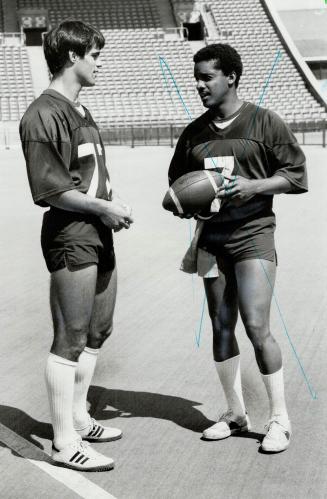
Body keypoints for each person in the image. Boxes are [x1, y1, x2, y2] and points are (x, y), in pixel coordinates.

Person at [168, 43, 307, 453]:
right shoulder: (194, 133)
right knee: (221, 326)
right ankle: (235, 412)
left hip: (254, 235)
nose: (199, 84)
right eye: (196, 77)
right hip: (212, 240)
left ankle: (279, 418)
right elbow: (177, 186)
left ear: (231, 76)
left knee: (257, 326)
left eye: (207, 76)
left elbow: (297, 175)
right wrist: (182, 204)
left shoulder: (265, 123)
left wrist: (253, 187)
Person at [20, 20, 134, 471]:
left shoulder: (81, 110)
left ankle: (80, 417)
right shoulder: (43, 113)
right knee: (69, 337)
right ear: (72, 56)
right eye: (95, 55)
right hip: (71, 233)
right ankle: (64, 442)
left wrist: (111, 202)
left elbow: (88, 176)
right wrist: (101, 209)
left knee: (98, 330)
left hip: (96, 228)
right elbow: (50, 190)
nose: (99, 63)